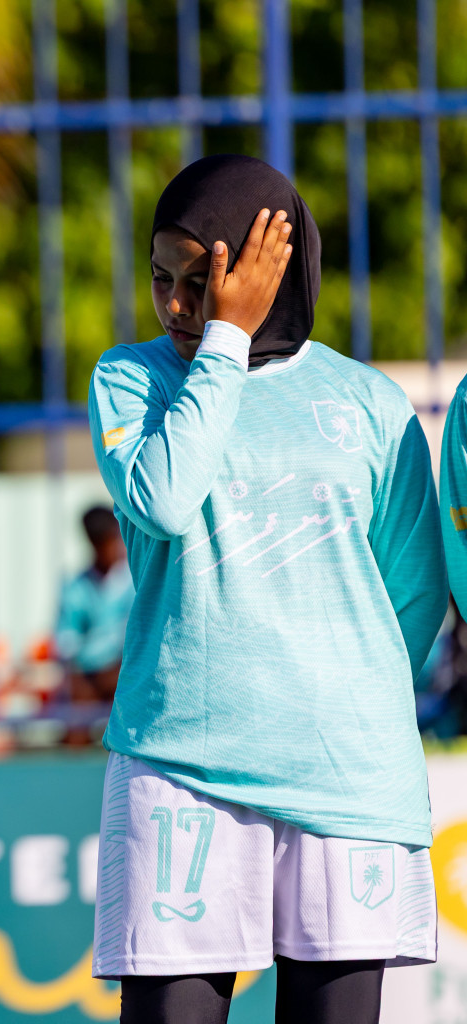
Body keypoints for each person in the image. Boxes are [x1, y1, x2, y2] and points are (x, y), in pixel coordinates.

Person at [88, 154, 444, 1024]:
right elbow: (166, 501)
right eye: (161, 278)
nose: (176, 303)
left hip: (346, 777)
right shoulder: (132, 379)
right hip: (180, 767)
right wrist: (224, 342)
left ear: (270, 270)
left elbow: (416, 590)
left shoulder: (368, 402)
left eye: (204, 279)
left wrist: (336, 698)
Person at [54, 505, 133, 741]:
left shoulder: (135, 582)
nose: (114, 547)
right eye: (106, 542)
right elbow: (66, 641)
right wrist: (84, 667)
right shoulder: (76, 588)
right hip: (89, 677)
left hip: (126, 671)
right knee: (76, 699)